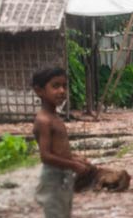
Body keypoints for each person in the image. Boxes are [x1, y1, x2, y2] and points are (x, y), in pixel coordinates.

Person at [31, 68, 96, 218]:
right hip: (53, 176)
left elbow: (59, 151)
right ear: (39, 91)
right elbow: (46, 156)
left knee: (64, 212)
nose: (62, 91)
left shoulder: (55, 117)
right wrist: (74, 165)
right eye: (55, 86)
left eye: (64, 86)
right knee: (56, 213)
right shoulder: (44, 121)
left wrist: (75, 158)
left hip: (63, 174)